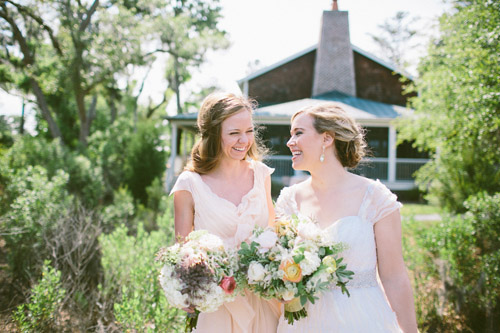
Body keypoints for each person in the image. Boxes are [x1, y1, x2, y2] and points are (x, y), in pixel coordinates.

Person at [275, 103, 418, 332]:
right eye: (291, 135)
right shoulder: (289, 201)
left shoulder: (375, 199)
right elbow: (279, 264)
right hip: (303, 322)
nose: (289, 142)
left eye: (298, 133)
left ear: (327, 139)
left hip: (363, 320)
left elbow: (394, 277)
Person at [171, 92, 280, 333]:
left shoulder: (261, 175)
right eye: (234, 133)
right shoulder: (189, 184)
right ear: (213, 134)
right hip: (217, 310)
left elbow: (274, 234)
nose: (244, 140)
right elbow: (181, 254)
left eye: (249, 131)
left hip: (264, 303)